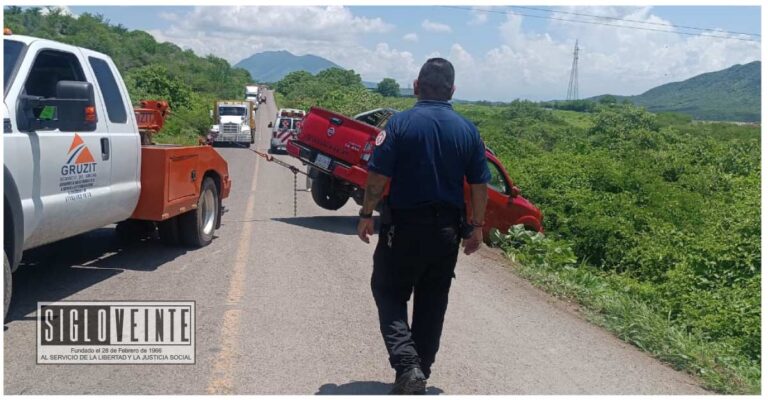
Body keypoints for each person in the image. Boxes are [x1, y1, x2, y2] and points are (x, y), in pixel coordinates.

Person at [356, 58, 491, 395]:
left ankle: (408, 367)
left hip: (403, 229)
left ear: (416, 86)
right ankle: (420, 370)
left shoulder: (399, 125)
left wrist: (366, 213)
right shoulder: (468, 131)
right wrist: (476, 227)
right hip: (446, 233)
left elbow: (378, 177)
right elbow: (478, 186)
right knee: (433, 301)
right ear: (453, 91)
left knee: (387, 290)